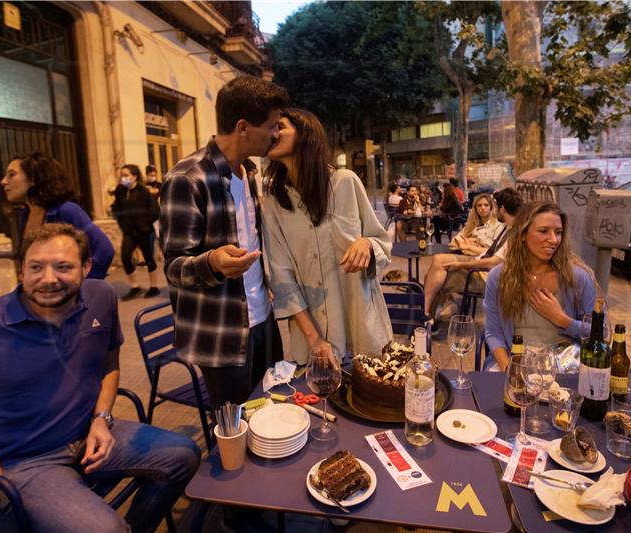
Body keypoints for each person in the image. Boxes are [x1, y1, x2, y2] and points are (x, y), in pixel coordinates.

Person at [0, 223, 200, 533]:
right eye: (36, 267)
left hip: (88, 433)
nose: (48, 279)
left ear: (86, 267)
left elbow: (110, 364)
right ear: (21, 270)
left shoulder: (100, 296)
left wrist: (101, 418)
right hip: (23, 463)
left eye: (63, 267)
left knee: (185, 455)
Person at [160, 75, 289, 407]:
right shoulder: (188, 179)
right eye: (273, 126)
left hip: (263, 320)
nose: (277, 134)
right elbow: (174, 267)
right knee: (236, 429)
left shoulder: (249, 173)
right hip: (223, 333)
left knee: (270, 412)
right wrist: (213, 263)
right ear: (244, 127)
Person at [262, 108, 393, 363]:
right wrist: (314, 340)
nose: (273, 132)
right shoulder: (272, 203)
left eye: (280, 126)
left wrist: (367, 243)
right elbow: (281, 276)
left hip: (361, 323)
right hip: (313, 336)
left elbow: (383, 243)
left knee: (373, 394)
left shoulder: (345, 182)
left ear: (305, 134)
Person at [483, 201, 598, 371]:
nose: (553, 240)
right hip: (515, 359)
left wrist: (562, 320)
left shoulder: (577, 277)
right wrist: (509, 370)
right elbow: (493, 333)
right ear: (523, 234)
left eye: (558, 232)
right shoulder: (499, 277)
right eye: (543, 231)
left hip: (565, 363)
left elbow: (601, 333)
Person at [0, 153, 114, 279]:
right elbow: (31, 252)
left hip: (63, 299)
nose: (3, 181)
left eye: (12, 175)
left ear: (33, 179)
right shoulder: (25, 215)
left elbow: (105, 249)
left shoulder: (67, 211)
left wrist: (85, 285)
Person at [424, 188, 523, 323]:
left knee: (433, 276)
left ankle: (427, 315)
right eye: (480, 205)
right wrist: (469, 247)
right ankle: (428, 312)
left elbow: (493, 262)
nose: (490, 209)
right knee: (437, 261)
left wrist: (461, 264)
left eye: (492, 205)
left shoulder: (512, 232)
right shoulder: (509, 227)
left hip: (488, 276)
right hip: (483, 266)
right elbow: (492, 253)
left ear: (502, 209)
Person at [112, 164, 160, 299]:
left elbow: (155, 210)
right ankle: (135, 287)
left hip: (144, 231)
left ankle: (154, 287)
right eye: (122, 175)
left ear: (135, 176)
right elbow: (117, 208)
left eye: (126, 175)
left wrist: (144, 223)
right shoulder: (120, 191)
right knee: (125, 257)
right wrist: (122, 223)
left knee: (149, 259)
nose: (123, 178)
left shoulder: (143, 191)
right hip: (129, 232)